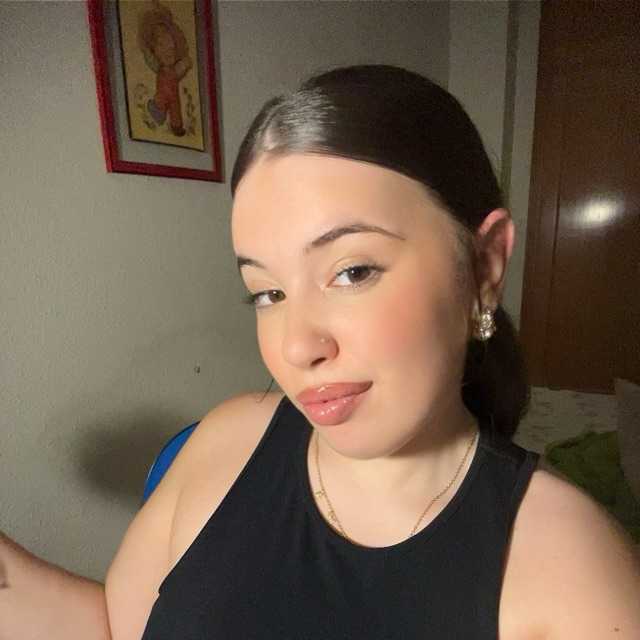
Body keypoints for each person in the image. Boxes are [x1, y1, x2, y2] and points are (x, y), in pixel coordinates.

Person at [1, 64, 639, 640]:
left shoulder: (575, 571)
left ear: (484, 266)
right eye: (268, 292)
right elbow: (115, 626)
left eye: (352, 271)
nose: (296, 346)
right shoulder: (230, 440)